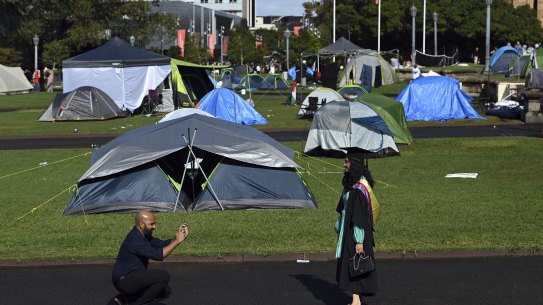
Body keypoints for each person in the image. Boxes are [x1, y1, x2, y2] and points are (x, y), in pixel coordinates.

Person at [110, 210, 189, 305]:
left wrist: (178, 237)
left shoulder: (143, 235)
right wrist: (177, 241)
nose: (154, 226)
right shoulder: (135, 239)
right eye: (151, 224)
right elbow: (158, 255)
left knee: (165, 290)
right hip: (124, 280)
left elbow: (161, 245)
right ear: (142, 224)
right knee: (163, 276)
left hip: (131, 276)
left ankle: (124, 299)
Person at [334, 153, 378, 305]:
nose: (344, 165)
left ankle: (356, 302)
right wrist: (339, 225)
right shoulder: (352, 186)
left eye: (346, 162)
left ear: (355, 164)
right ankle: (356, 299)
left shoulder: (358, 189)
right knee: (353, 264)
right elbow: (344, 208)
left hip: (356, 233)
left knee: (356, 264)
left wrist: (359, 241)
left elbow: (358, 217)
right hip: (349, 230)